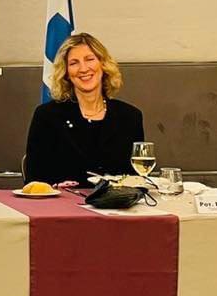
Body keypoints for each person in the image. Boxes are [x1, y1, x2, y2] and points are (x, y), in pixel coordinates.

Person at [23, 32, 144, 187]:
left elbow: (136, 178)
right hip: (63, 201)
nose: (83, 68)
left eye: (89, 59)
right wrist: (54, 187)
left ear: (103, 64)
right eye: (74, 63)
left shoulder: (130, 117)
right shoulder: (47, 116)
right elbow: (34, 178)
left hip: (116, 201)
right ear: (66, 72)